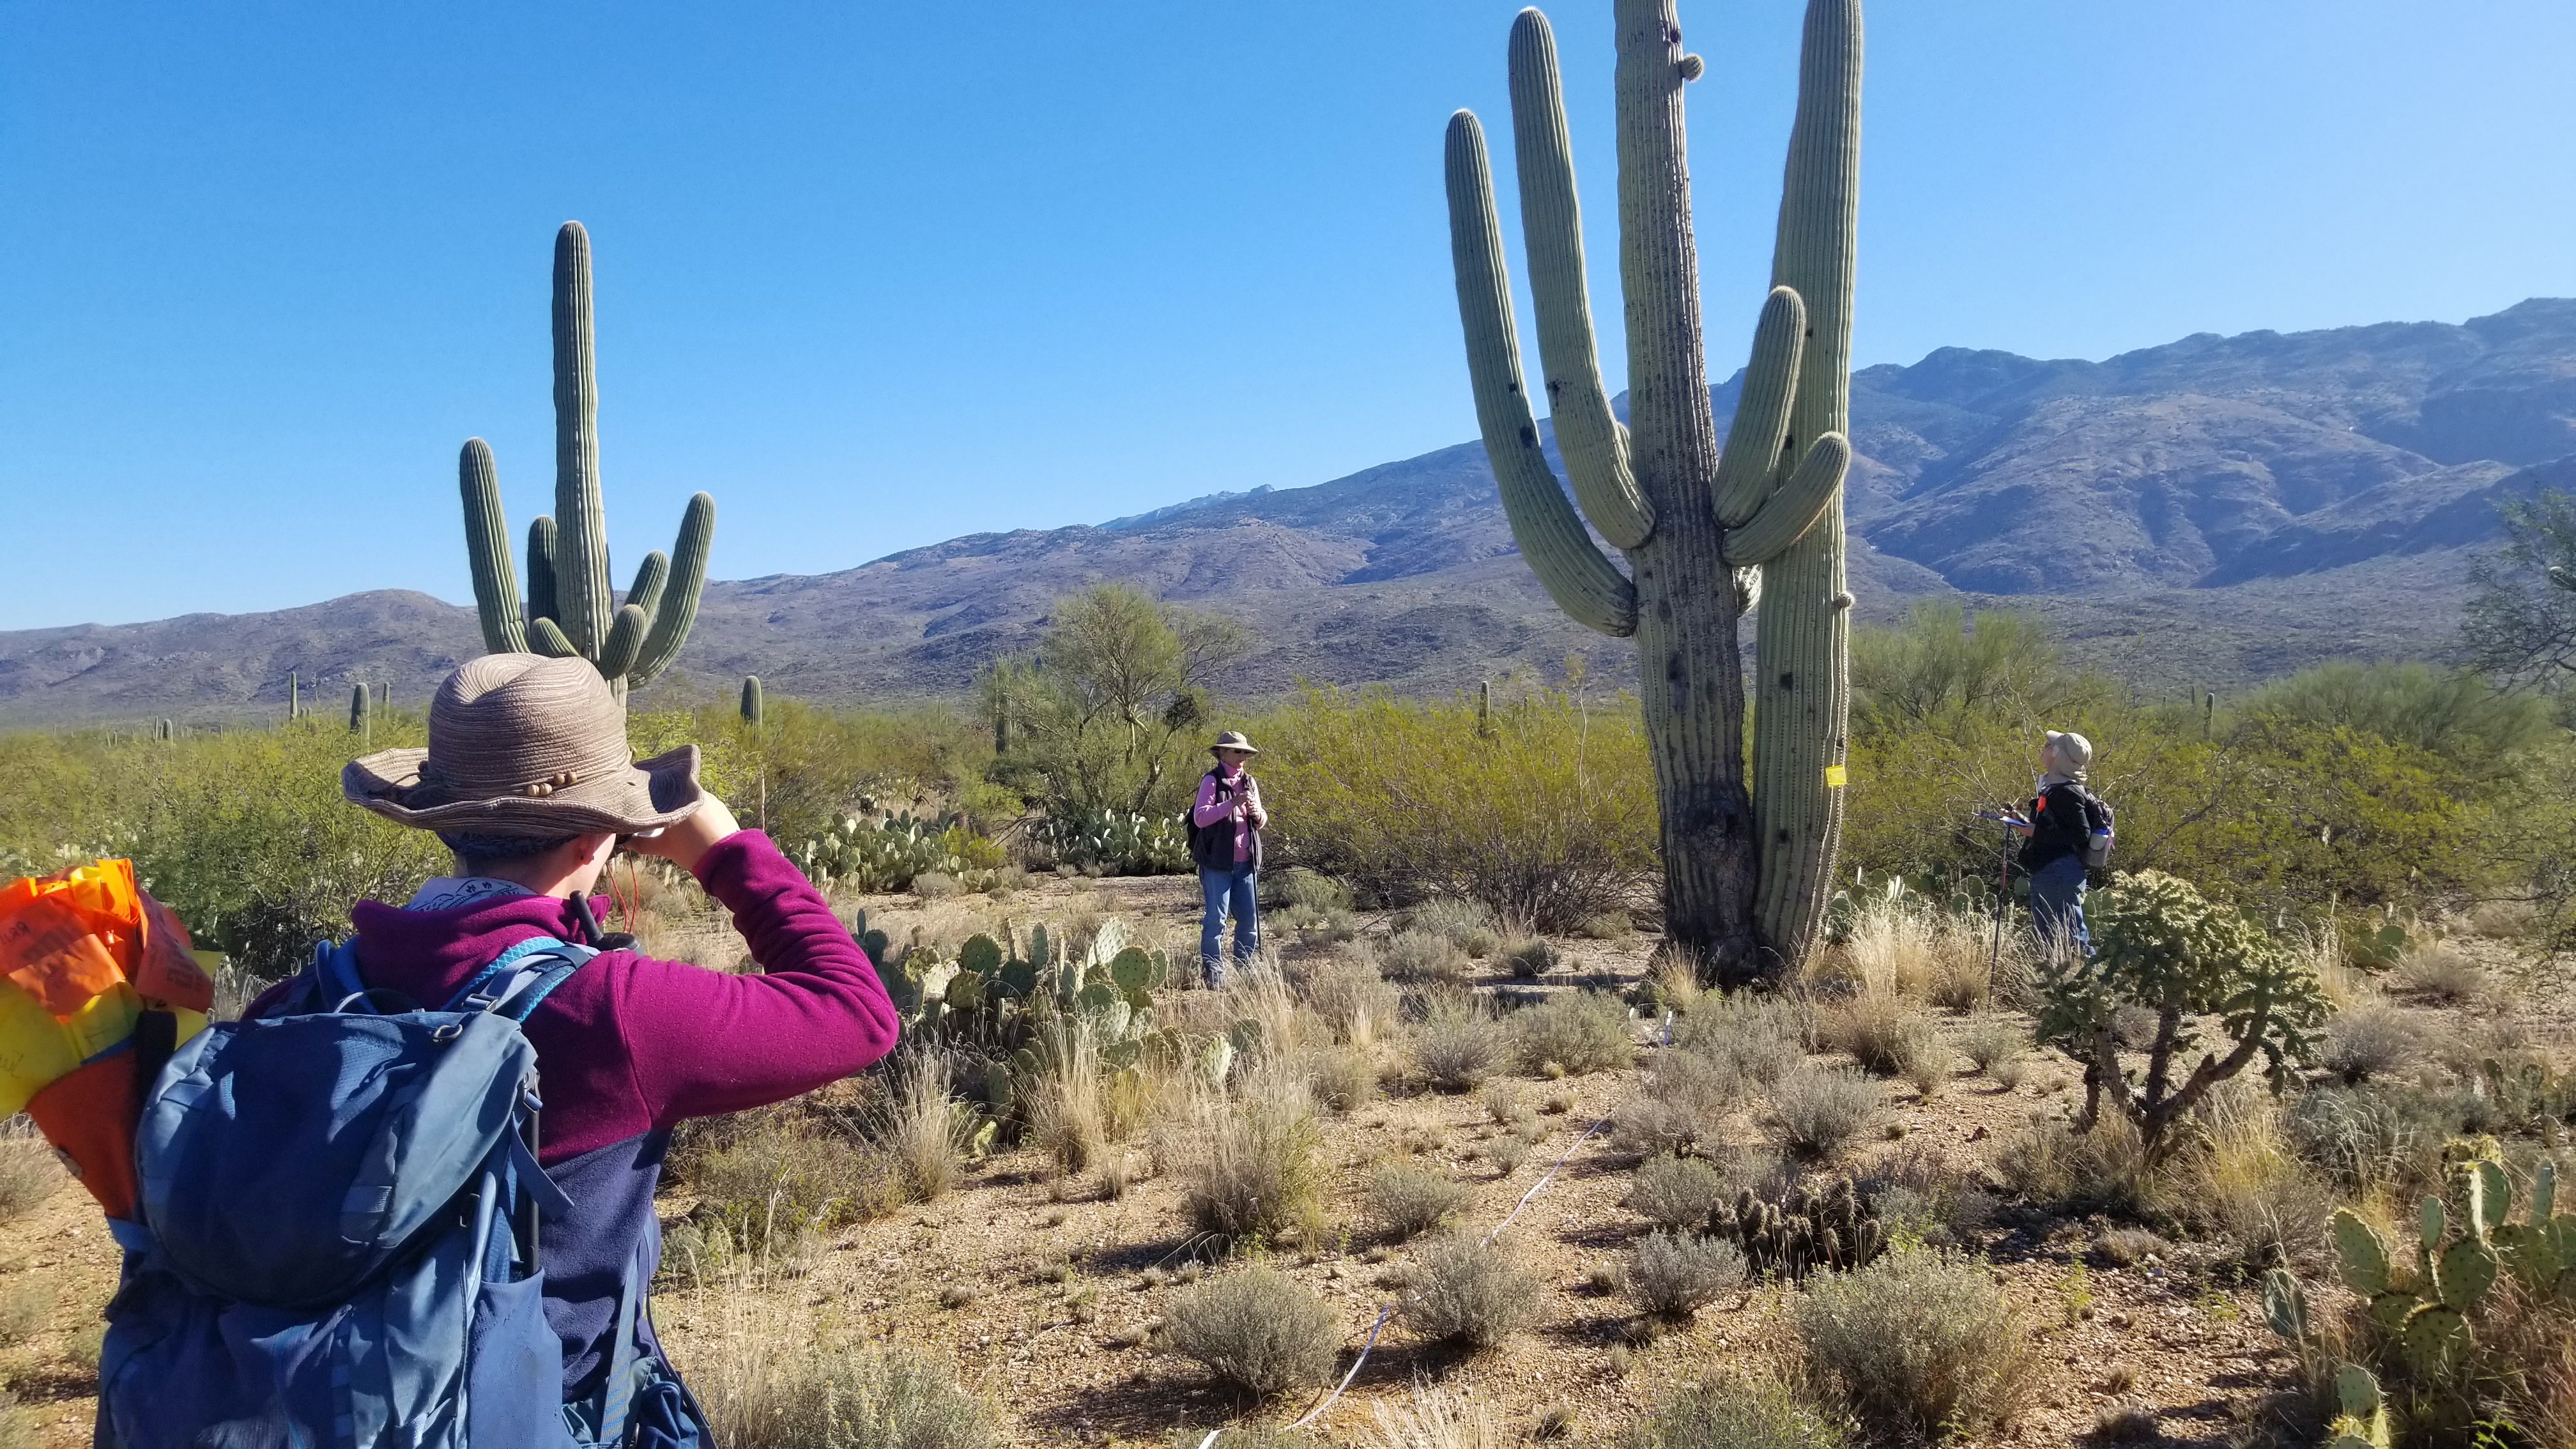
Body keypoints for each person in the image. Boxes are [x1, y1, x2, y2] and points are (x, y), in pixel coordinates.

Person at [286, 654, 898, 1441]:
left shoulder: (310, 998)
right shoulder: (612, 1012)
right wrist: (724, 847)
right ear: (595, 840)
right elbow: (857, 1012)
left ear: (441, 821)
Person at [2004, 729, 2097, 960]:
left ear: (2057, 755)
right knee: (2050, 935)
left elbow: (2080, 834)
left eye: (2047, 745)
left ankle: (2090, 984)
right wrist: (2021, 821)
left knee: (2072, 936)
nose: (2043, 748)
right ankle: (2058, 985)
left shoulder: (2067, 792)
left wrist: (2034, 830)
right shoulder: (2057, 788)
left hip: (2059, 872)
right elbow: (2051, 830)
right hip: (2052, 872)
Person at [1188, 730, 1268, 987]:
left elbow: (1262, 819)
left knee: (1249, 919)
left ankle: (1245, 969)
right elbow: (1201, 817)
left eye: (1245, 752)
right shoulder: (1211, 781)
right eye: (1237, 751)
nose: (1242, 756)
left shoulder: (1249, 782)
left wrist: (1258, 814)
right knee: (1216, 920)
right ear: (1222, 753)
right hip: (1217, 864)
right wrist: (1233, 803)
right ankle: (1214, 973)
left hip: (1246, 863)